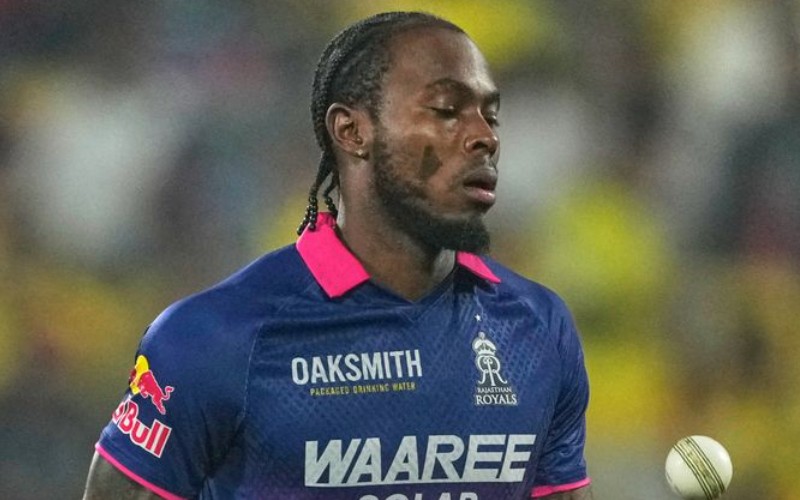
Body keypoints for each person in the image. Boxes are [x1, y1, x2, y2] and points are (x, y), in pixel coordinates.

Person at [83, 11, 593, 500]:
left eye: (491, 115)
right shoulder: (214, 338)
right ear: (352, 132)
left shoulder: (538, 328)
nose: (485, 137)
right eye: (445, 110)